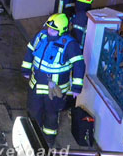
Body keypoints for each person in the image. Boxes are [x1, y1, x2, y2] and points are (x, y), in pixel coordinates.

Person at [21, 13, 86, 145]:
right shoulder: (41, 36)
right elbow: (29, 51)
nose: (49, 30)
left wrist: (77, 87)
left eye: (53, 29)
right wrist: (26, 69)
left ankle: (48, 140)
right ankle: (32, 137)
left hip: (55, 91)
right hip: (36, 86)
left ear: (61, 30)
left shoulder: (70, 45)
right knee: (33, 111)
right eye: (49, 27)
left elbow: (79, 64)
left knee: (51, 115)